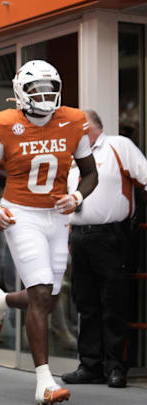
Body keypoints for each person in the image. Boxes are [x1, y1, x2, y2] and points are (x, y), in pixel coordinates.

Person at [0, 60, 98, 404]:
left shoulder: (73, 120)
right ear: (20, 93)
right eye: (36, 89)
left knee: (50, 297)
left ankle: (2, 300)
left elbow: (90, 172)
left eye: (49, 89)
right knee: (41, 293)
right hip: (21, 214)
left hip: (56, 216)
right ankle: (44, 381)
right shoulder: (6, 124)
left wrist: (77, 196)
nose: (44, 96)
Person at [61, 109, 147, 388]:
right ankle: (90, 365)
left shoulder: (117, 146)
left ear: (86, 127)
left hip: (111, 236)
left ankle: (115, 367)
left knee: (113, 302)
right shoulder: (73, 158)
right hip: (79, 237)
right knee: (85, 303)